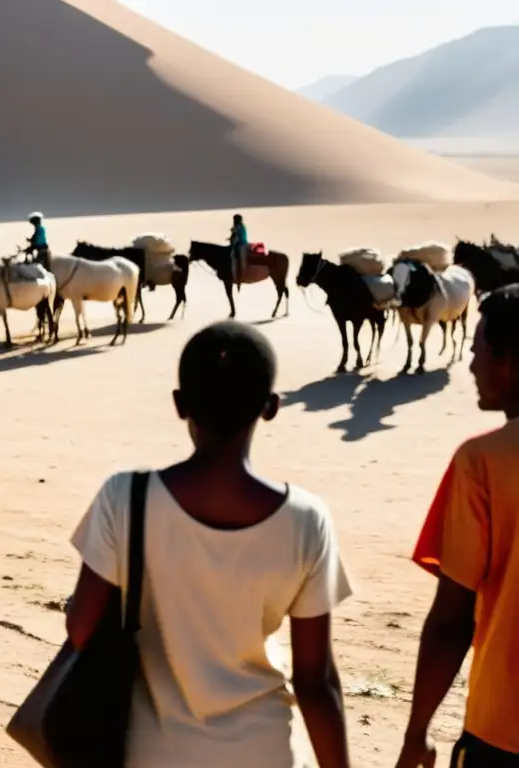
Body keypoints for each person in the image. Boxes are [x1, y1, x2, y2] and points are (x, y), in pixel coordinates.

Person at [66, 320, 352, 768]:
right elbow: (316, 682)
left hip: (152, 754)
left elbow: (81, 629)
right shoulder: (305, 518)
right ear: (271, 407)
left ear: (181, 405)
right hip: (266, 753)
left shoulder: (124, 498)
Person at [396, 285, 519, 768]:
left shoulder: (483, 461)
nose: (471, 365)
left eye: (478, 350)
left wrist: (416, 732)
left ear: (508, 360)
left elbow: (452, 618)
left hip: (503, 729)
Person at [229, 213, 249, 290]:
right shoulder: (241, 226)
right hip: (240, 244)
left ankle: (240, 276)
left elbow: (234, 233)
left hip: (241, 245)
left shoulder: (238, 226)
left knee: (239, 260)